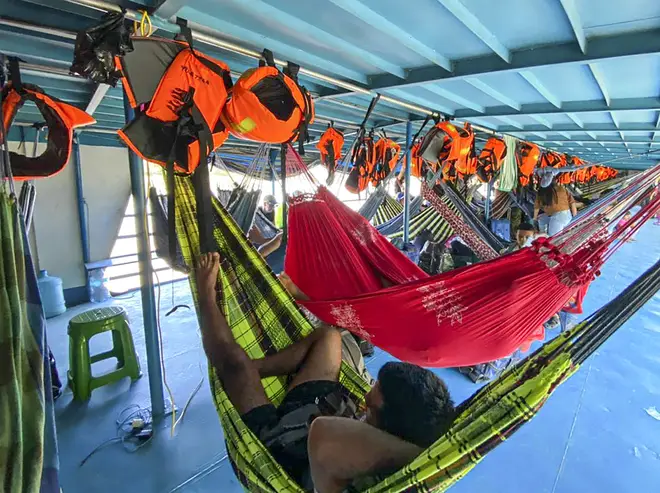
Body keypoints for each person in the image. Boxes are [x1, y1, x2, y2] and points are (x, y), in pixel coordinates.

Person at [196, 253, 455, 493]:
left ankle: (205, 295)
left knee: (234, 366)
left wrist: (422, 455)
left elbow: (323, 432)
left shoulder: (365, 470)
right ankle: (257, 369)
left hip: (285, 444)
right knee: (330, 337)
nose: (365, 398)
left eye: (372, 406)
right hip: (324, 406)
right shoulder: (410, 427)